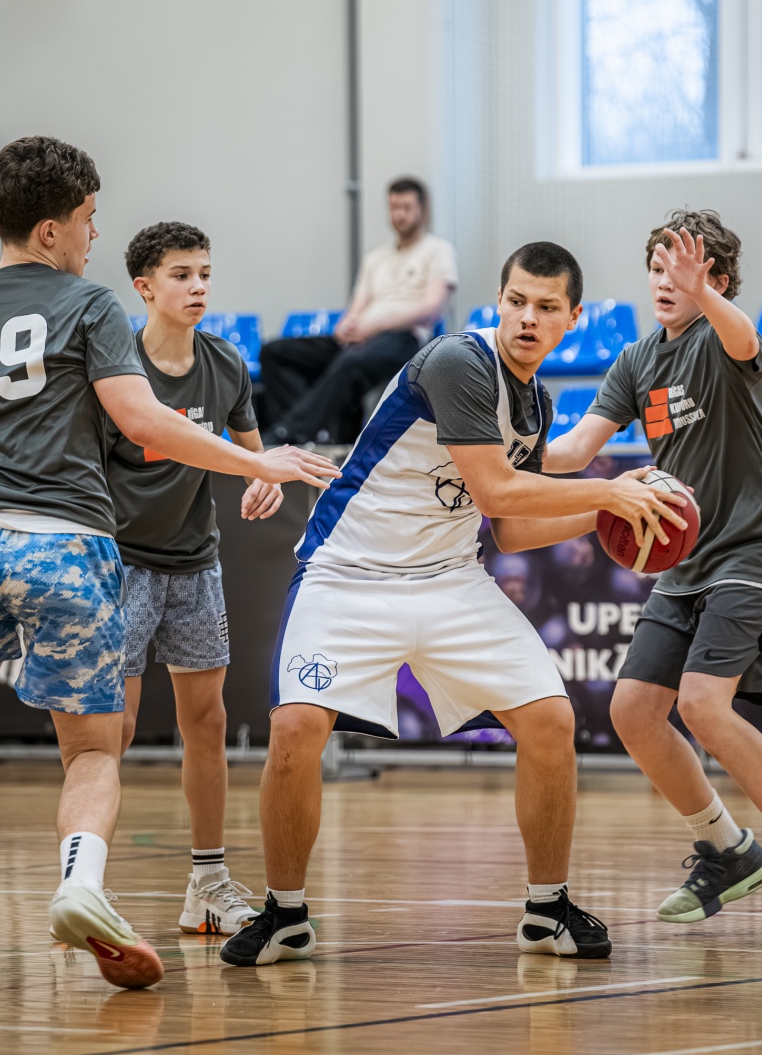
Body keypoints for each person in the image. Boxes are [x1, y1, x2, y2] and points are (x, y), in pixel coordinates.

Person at [220, 241, 687, 969]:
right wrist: (609, 490)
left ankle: (547, 910)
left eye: (546, 307)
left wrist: (608, 517)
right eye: (516, 301)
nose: (527, 318)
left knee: (551, 721)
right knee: (295, 730)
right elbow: (498, 488)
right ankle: (284, 914)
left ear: (573, 319)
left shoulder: (534, 403)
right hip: (348, 575)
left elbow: (512, 528)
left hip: (449, 579)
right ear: (497, 301)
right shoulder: (457, 361)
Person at [0, 137, 338, 989]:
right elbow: (142, 421)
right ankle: (82, 883)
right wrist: (262, 463)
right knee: (96, 750)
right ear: (52, 231)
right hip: (69, 546)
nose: (93, 233)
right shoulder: (90, 307)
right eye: (88, 218)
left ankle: (202, 877)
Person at [544, 209, 762, 947]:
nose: (665, 282)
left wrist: (707, 296)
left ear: (715, 279)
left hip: (758, 549)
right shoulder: (636, 361)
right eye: (656, 268)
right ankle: (728, 850)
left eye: (682, 271)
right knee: (633, 711)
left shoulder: (726, 340)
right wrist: (498, 453)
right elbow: (576, 451)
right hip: (686, 561)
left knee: (701, 704)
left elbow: (746, 337)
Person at [107, 221, 284, 936]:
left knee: (206, 723)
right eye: (181, 274)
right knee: (111, 728)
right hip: (119, 565)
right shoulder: (114, 367)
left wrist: (263, 481)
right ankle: (88, 885)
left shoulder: (225, 362)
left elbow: (252, 454)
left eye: (205, 272)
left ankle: (207, 883)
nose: (198, 286)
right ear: (145, 287)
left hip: (194, 564)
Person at [259, 177, 458, 446]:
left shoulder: (437, 250)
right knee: (275, 353)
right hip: (362, 338)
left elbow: (431, 309)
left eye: (407, 207)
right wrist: (347, 325)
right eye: (394, 207)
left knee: (351, 362)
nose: (399, 215)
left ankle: (290, 432)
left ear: (422, 209)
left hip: (405, 339)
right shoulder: (376, 258)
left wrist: (374, 326)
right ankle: (316, 433)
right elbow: (357, 305)